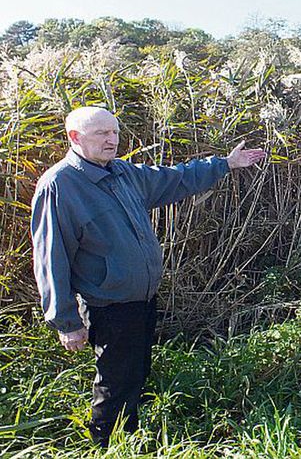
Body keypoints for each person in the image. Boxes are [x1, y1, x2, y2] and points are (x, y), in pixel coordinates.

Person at [30, 106, 266, 446]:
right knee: (115, 379)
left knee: (136, 370)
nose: (112, 140)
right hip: (108, 304)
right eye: (102, 134)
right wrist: (66, 321)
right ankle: (107, 443)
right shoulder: (60, 186)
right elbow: (51, 259)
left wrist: (224, 164)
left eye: (114, 132)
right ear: (75, 137)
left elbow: (175, 178)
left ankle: (130, 433)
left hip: (141, 298)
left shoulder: (123, 173)